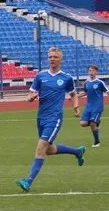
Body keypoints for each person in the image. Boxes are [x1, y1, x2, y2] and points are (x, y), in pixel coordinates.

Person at [18, 47, 85, 192]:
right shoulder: (41, 76)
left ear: (61, 59)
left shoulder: (66, 78)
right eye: (50, 57)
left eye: (55, 57)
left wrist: (76, 107)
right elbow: (30, 95)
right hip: (41, 117)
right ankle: (77, 152)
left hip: (54, 118)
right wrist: (31, 97)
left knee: (41, 147)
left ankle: (28, 181)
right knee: (49, 149)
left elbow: (73, 94)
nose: (52, 59)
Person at [79, 64, 109, 147]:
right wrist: (75, 97)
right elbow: (85, 92)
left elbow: (108, 92)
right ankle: (97, 122)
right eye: (90, 70)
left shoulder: (100, 82)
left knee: (92, 124)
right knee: (83, 123)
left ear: (96, 72)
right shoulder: (86, 82)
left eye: (93, 70)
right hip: (88, 106)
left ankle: (97, 142)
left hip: (97, 107)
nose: (91, 72)